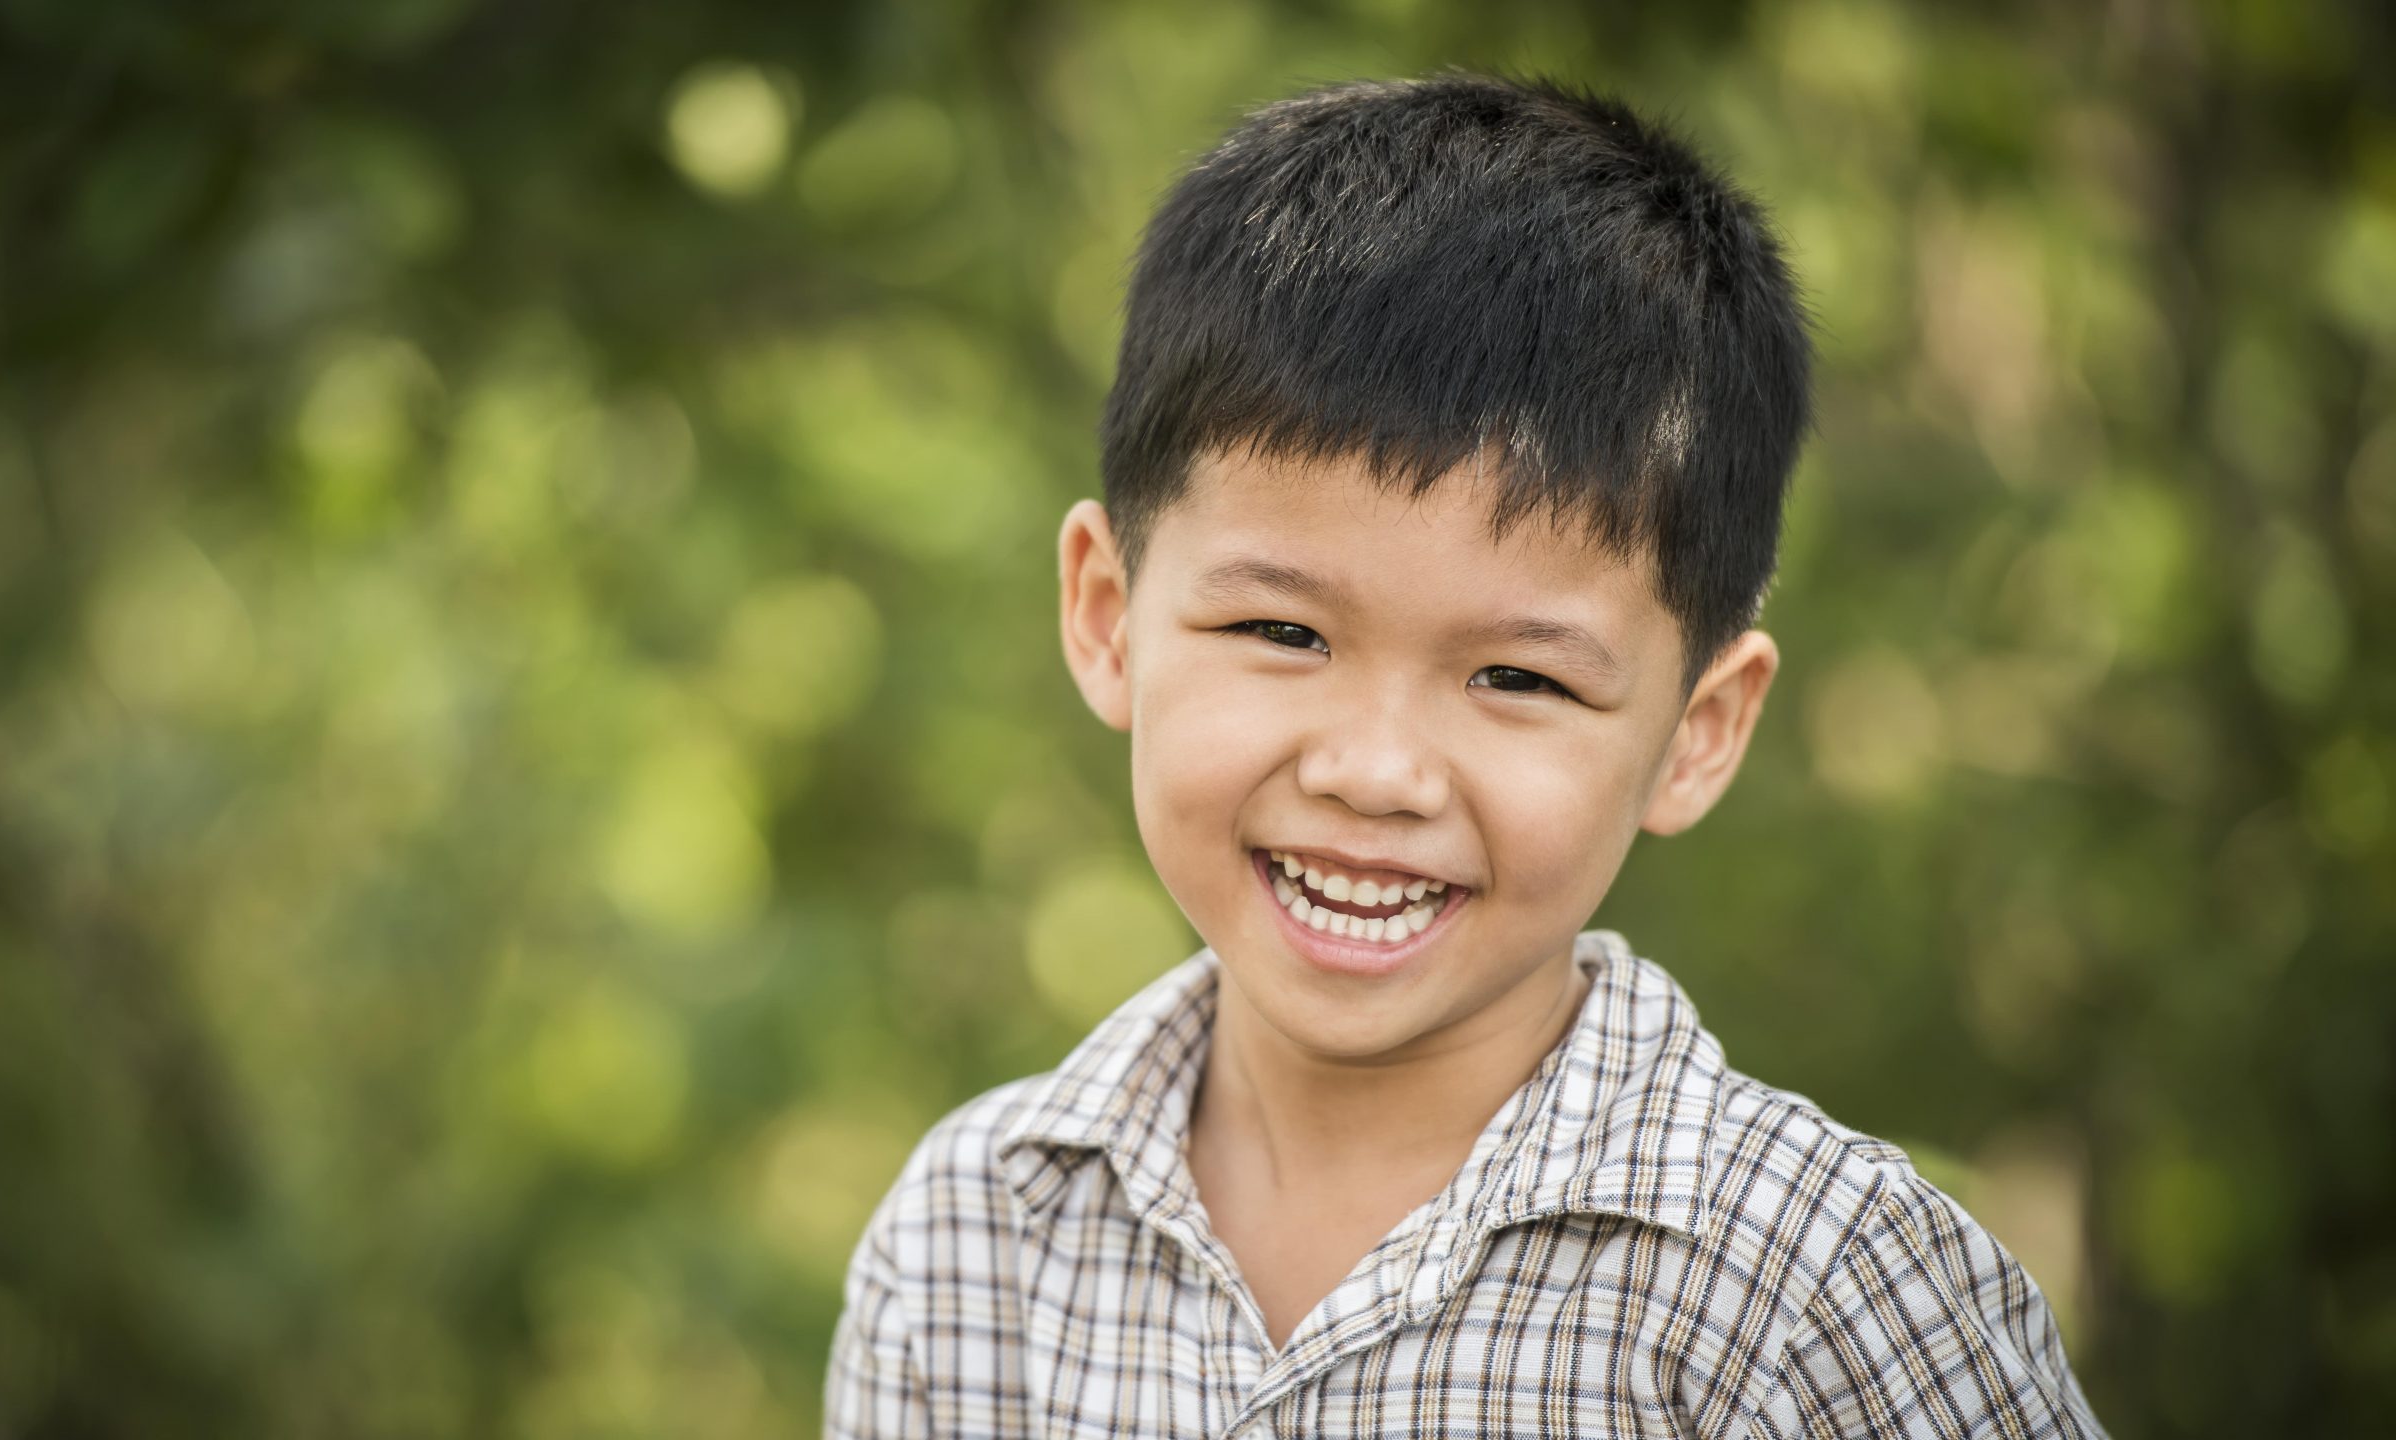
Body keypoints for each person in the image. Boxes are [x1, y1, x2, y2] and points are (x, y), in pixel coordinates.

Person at [824, 68, 2109, 1438]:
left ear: (1698, 734)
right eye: (1282, 629)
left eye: (1516, 676)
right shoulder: (973, 1242)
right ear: (1106, 616)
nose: (1377, 772)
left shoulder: (1814, 1289)